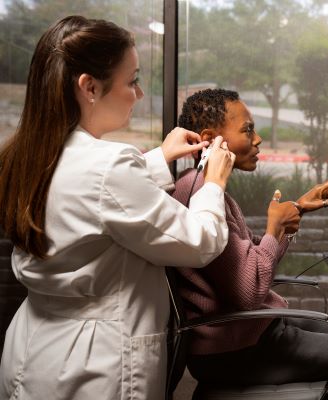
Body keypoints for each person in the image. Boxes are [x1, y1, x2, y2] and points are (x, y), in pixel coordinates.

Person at [0, 16, 235, 400]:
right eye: (132, 81)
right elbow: (200, 242)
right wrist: (214, 184)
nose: (139, 94)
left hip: (33, 350)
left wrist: (159, 159)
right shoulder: (110, 165)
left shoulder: (25, 156)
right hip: (95, 365)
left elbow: (85, 197)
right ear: (90, 87)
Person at [172, 88, 328, 396]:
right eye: (247, 130)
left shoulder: (203, 187)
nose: (258, 139)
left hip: (256, 330)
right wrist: (274, 227)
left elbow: (248, 258)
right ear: (211, 138)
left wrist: (294, 215)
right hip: (238, 349)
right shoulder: (201, 194)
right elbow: (249, 291)